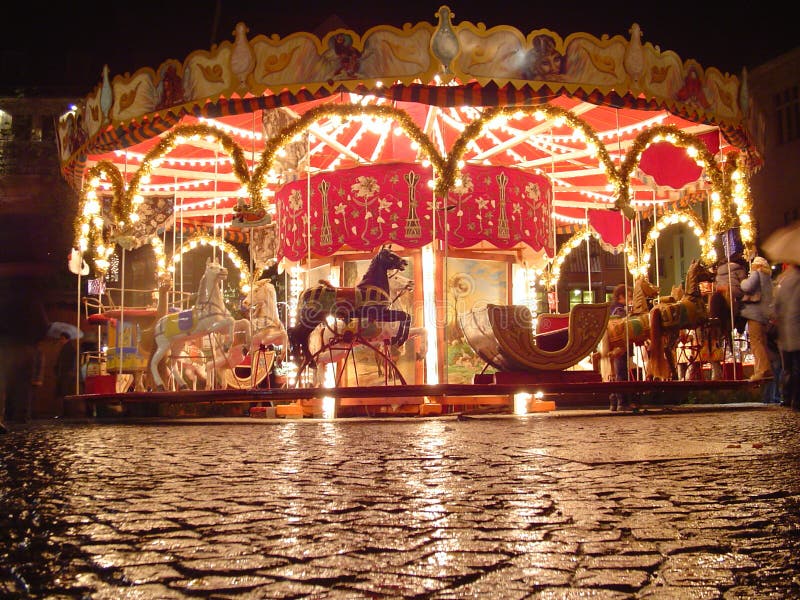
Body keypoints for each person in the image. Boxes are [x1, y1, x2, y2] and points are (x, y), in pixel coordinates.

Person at [740, 256, 775, 380]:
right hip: (764, 315)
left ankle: (762, 369)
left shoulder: (757, 274)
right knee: (762, 342)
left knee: (756, 342)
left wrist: (742, 281)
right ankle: (764, 369)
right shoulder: (768, 279)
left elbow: (747, 287)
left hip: (755, 314)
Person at [607, 283, 638, 412]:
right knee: (621, 373)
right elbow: (622, 326)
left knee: (616, 373)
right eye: (629, 296)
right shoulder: (620, 311)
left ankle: (614, 400)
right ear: (621, 296)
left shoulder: (613, 309)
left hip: (614, 345)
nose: (631, 300)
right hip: (620, 344)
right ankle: (622, 401)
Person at [774, 263, 800, 410]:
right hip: (797, 329)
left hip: (785, 330)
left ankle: (787, 397)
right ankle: (797, 399)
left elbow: (776, 305)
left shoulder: (783, 280)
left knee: (787, 367)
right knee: (797, 366)